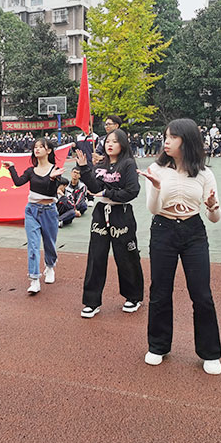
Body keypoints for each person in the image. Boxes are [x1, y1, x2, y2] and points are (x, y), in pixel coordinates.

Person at [138, 118, 221, 376]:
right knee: (160, 291)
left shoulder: (205, 174)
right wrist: (155, 188)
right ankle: (158, 346)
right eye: (165, 136)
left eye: (172, 137)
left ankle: (210, 353)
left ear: (186, 141)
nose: (166, 141)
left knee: (202, 295)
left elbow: (215, 218)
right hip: (163, 231)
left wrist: (211, 205)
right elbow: (152, 209)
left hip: (194, 232)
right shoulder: (156, 169)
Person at [76, 129, 144, 317]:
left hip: (120, 213)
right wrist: (84, 168)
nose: (109, 144)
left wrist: (109, 193)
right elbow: (95, 188)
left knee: (126, 257)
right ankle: (91, 301)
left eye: (114, 141)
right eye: (107, 141)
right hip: (100, 214)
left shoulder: (128, 164)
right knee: (96, 257)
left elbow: (132, 191)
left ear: (122, 143)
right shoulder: (102, 163)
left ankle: (133, 297)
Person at [2, 137, 64, 294]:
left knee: (49, 243)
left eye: (40, 147)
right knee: (33, 245)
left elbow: (51, 191)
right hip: (31, 211)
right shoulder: (31, 171)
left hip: (49, 210)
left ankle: (50, 266)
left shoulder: (55, 169)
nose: (37, 149)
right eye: (35, 147)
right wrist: (12, 168)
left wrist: (52, 178)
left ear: (48, 151)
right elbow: (18, 182)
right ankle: (34, 279)